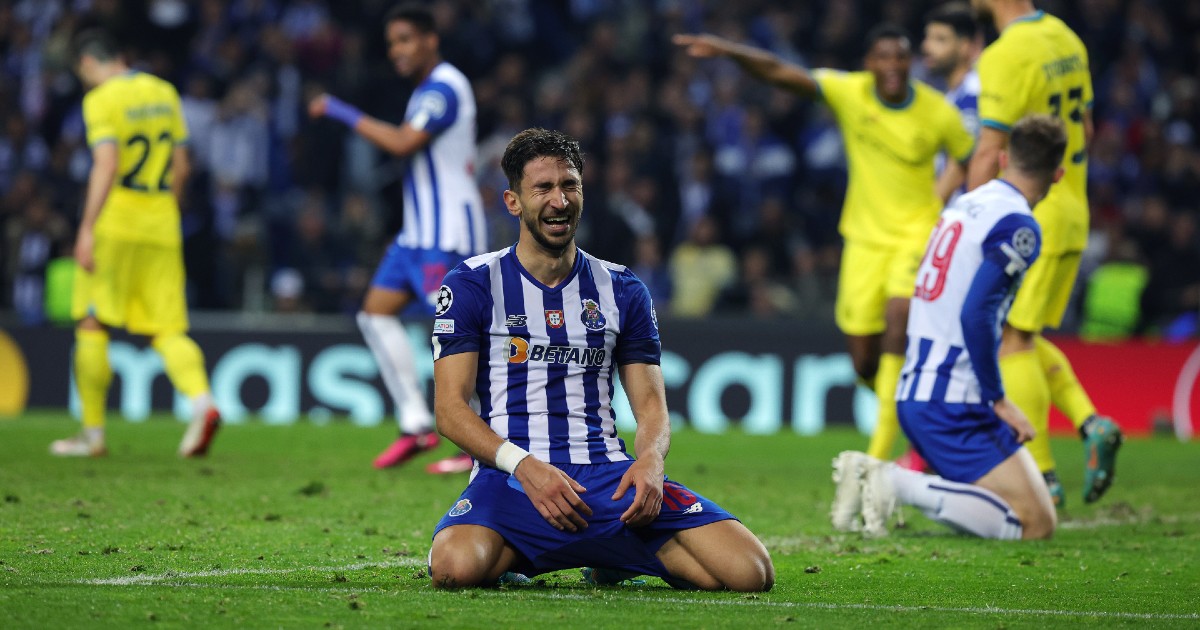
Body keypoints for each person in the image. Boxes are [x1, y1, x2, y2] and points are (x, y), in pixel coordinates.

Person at [426, 128, 774, 591]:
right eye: (543, 188)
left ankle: (612, 557)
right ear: (513, 202)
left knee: (750, 574)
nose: (559, 200)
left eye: (569, 185)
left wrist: (650, 460)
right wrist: (524, 466)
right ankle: (537, 551)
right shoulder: (472, 283)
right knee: (455, 568)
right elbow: (450, 411)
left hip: (607, 478)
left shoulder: (622, 288)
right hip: (512, 478)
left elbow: (651, 405)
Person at [674, 26, 974, 465]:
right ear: (869, 63)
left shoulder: (937, 112)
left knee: (900, 317)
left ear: (910, 63)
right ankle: (909, 409)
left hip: (916, 236)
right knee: (863, 361)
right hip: (864, 242)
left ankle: (877, 458)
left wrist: (938, 200)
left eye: (900, 58)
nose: (891, 66)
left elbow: (969, 156)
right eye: (882, 57)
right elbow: (780, 72)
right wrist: (729, 51)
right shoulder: (850, 92)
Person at [831, 114, 1066, 540]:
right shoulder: (1017, 226)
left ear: (1003, 157)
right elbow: (975, 313)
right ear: (1059, 174)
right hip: (955, 400)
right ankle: (892, 481)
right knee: (1036, 523)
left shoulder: (965, 204)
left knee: (1009, 508)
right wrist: (998, 400)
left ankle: (899, 483)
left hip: (919, 387)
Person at [308, 3, 486, 472]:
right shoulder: (426, 90)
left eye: (406, 39)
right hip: (416, 234)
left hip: (446, 232)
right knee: (374, 314)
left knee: (458, 334)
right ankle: (415, 423)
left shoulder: (445, 87)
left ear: (431, 39)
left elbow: (405, 142)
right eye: (391, 44)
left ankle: (481, 445)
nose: (397, 51)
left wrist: (340, 111)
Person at [967, 0, 1123, 507]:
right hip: (1071, 206)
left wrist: (968, 221)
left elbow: (991, 150)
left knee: (1011, 342)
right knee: (1024, 337)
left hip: (1031, 217)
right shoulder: (1066, 38)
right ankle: (1090, 422)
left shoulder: (1005, 54)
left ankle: (1041, 478)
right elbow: (1089, 130)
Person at [53, 30, 220, 458]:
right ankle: (203, 403)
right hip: (161, 218)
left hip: (117, 219)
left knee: (93, 322)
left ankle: (92, 435)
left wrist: (86, 227)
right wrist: (168, 212)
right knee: (166, 326)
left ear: (89, 63)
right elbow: (182, 167)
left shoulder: (101, 100)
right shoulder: (165, 92)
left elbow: (106, 165)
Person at [893, 1, 985, 473]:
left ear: (968, 46)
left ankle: (932, 452)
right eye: (928, 38)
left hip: (963, 233)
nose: (927, 48)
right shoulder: (947, 98)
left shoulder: (975, 96)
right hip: (955, 231)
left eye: (940, 39)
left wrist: (930, 208)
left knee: (963, 336)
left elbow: (970, 162)